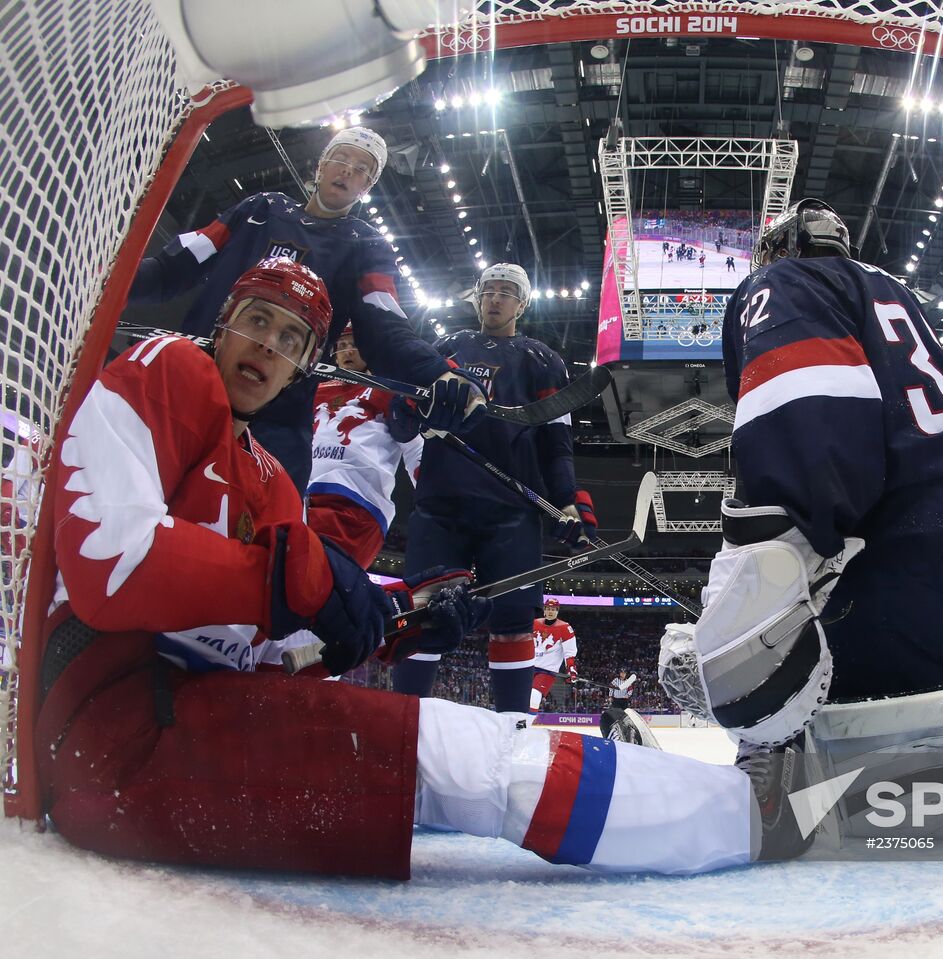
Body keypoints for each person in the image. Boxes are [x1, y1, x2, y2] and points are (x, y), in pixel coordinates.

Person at [37, 257, 775, 879]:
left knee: (474, 748)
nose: (269, 345)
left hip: (198, 707)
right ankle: (753, 818)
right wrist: (311, 580)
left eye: (290, 336)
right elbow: (114, 559)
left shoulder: (266, 476)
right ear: (224, 318)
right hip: (121, 733)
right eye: (257, 320)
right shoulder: (170, 366)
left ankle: (741, 811)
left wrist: (387, 621)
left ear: (303, 360)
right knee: (479, 764)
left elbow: (274, 645)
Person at [666, 198, 943, 750]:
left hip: (906, 556)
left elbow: (807, 419)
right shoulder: (893, 290)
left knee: (815, 747)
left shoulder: (785, 281)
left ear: (788, 246)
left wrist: (746, 594)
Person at [127, 126, 474, 491]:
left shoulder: (366, 245)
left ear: (367, 188)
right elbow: (172, 268)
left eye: (361, 170)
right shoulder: (259, 210)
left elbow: (385, 331)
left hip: (275, 419)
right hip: (187, 388)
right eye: (341, 159)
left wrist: (438, 374)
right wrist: (105, 280)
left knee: (265, 537)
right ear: (321, 165)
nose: (347, 171)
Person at [392, 263, 587, 713]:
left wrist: (568, 502)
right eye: (489, 291)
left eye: (506, 293)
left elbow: (556, 443)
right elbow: (404, 414)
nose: (495, 299)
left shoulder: (542, 359)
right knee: (422, 613)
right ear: (478, 298)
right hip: (442, 504)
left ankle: (513, 732)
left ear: (522, 304)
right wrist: (405, 410)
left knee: (514, 622)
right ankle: (403, 722)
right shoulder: (446, 348)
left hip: (511, 510)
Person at [305, 324, 422, 568]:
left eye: (354, 345)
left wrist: (436, 498)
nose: (347, 352)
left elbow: (414, 448)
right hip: (301, 497)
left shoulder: (389, 391)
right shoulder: (315, 390)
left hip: (355, 504)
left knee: (318, 583)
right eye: (342, 346)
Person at [528, 598, 578, 718]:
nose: (551, 611)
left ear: (557, 611)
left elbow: (569, 652)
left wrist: (571, 668)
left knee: (534, 695)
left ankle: (526, 724)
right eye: (548, 609)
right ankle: (517, 720)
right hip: (528, 667)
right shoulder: (534, 623)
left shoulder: (565, 628)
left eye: (553, 609)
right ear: (544, 610)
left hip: (547, 671)